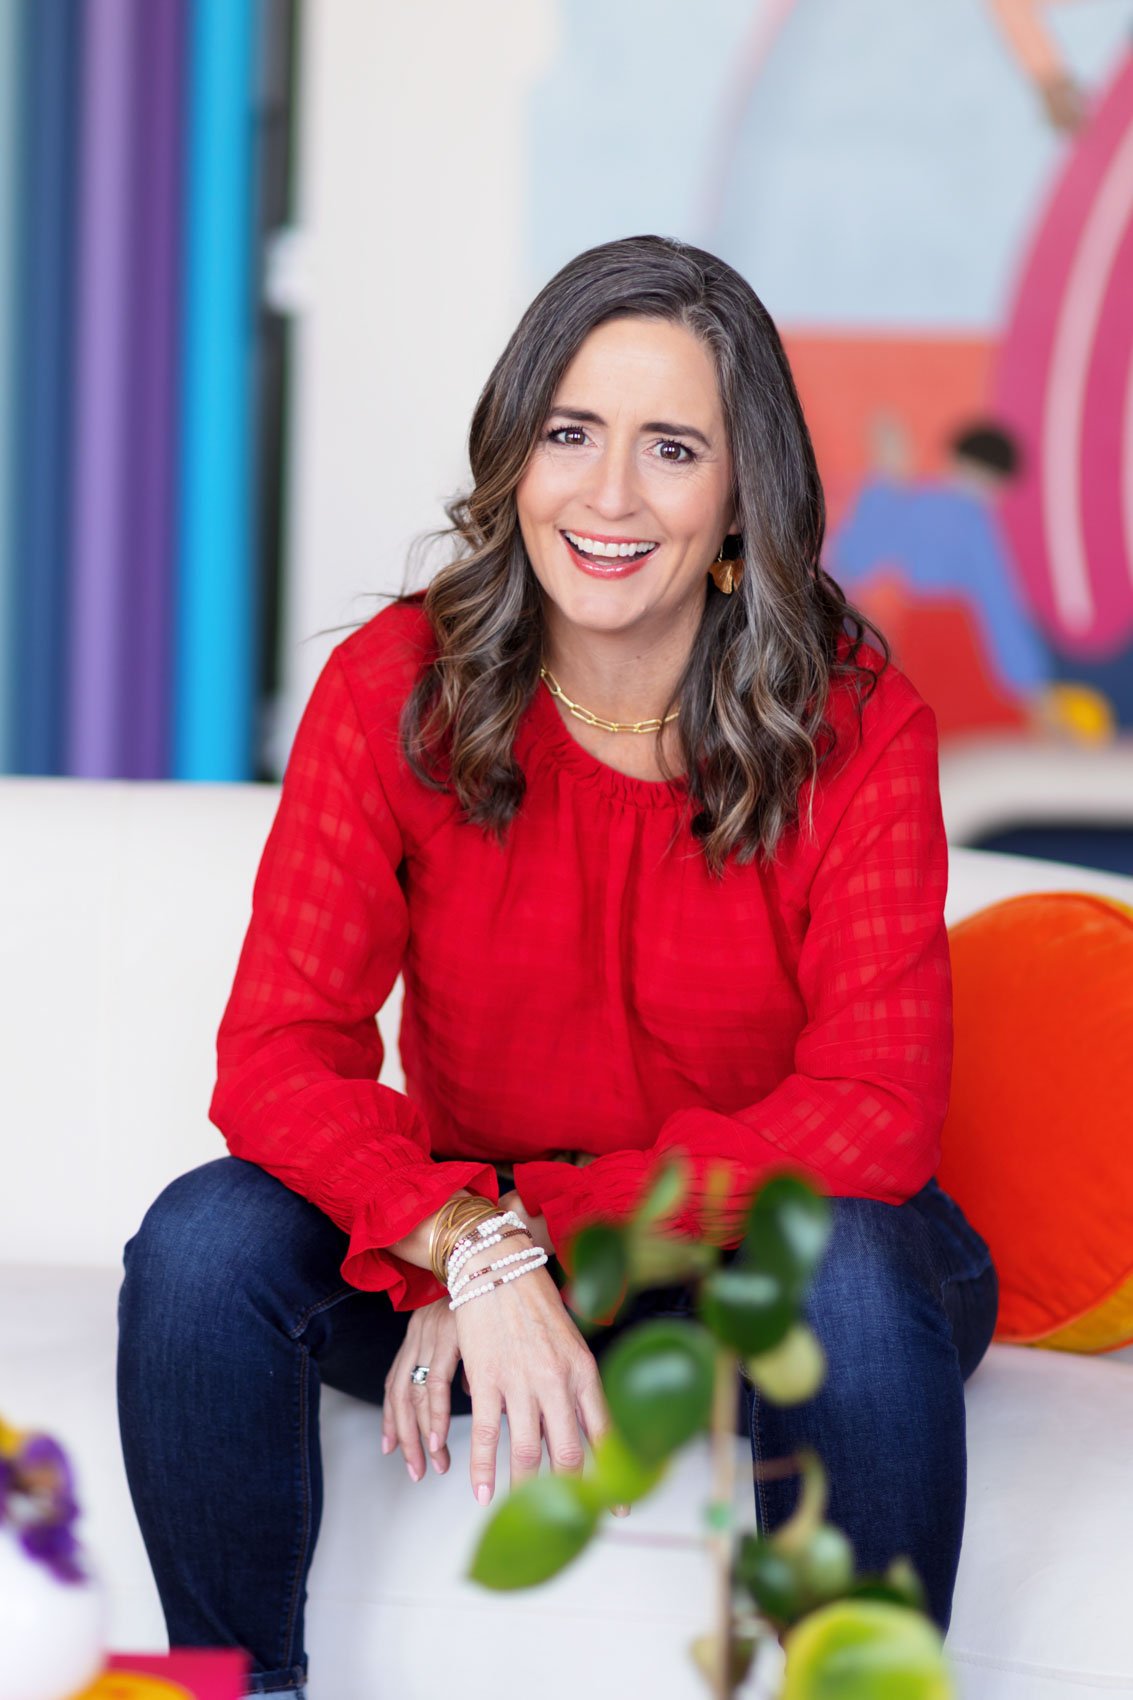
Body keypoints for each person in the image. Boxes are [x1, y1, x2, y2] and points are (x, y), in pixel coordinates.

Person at [116, 234, 999, 1696]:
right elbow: (278, 1054)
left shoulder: (856, 724)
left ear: (737, 499)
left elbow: (875, 1111)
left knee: (848, 1259)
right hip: (484, 1241)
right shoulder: (392, 689)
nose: (606, 495)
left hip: (752, 1250)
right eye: (570, 433)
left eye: (669, 449)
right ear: (515, 456)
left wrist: (529, 1231)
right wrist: (456, 1241)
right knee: (206, 1245)